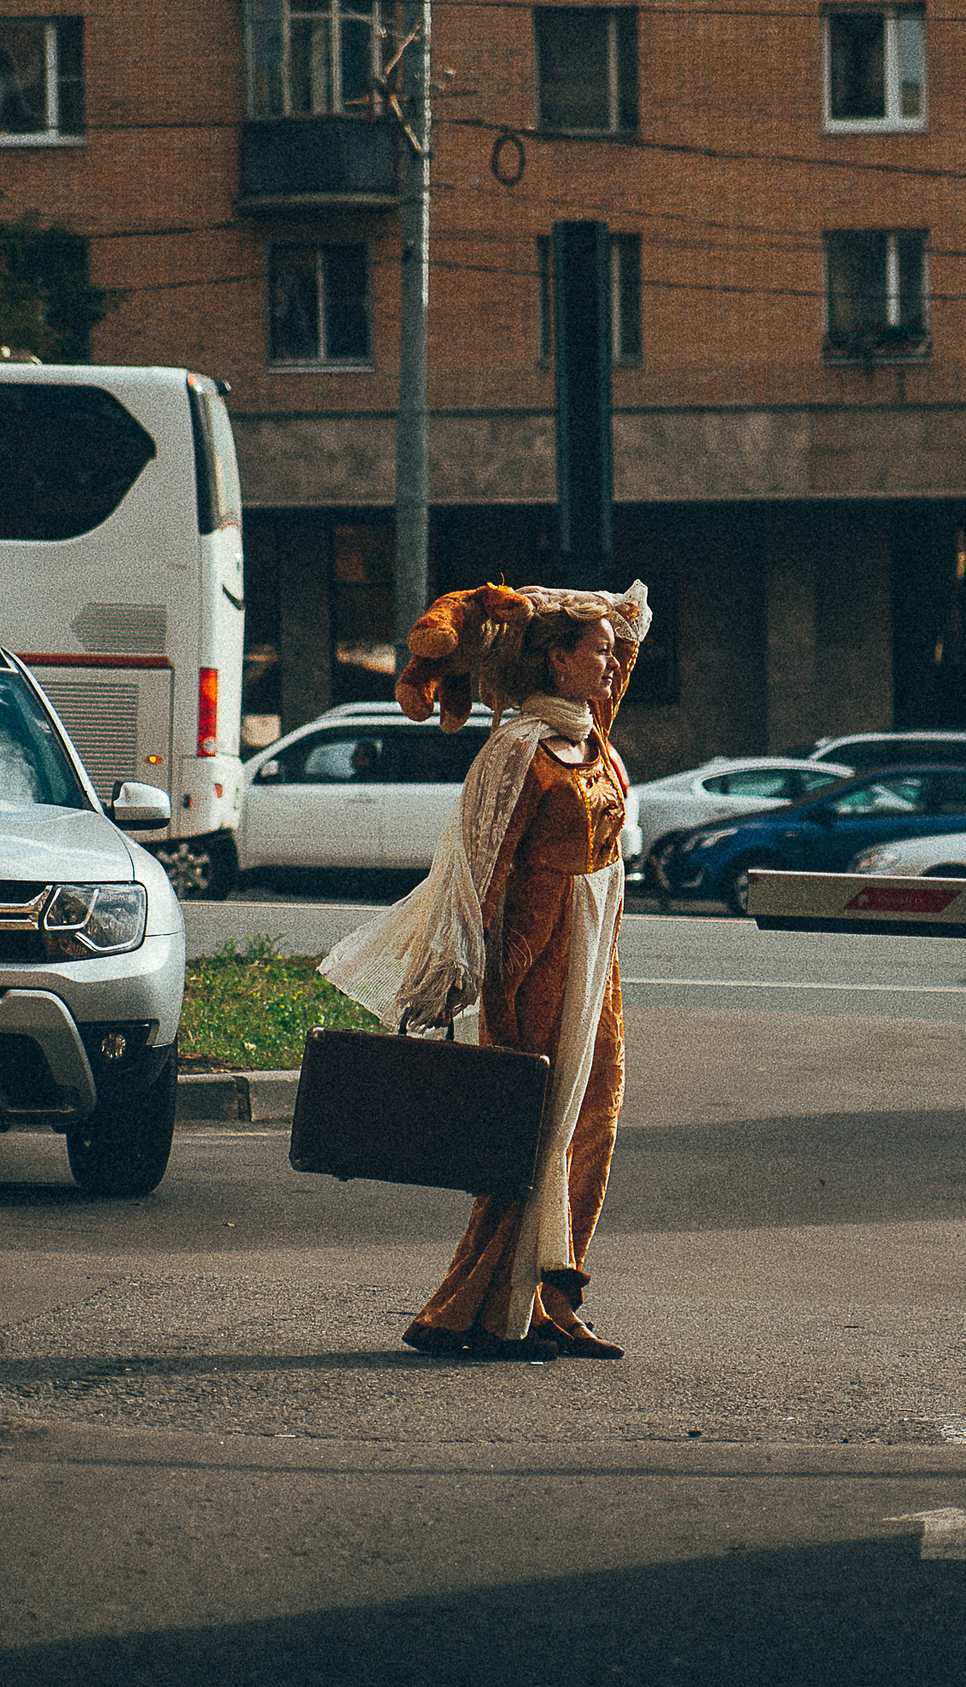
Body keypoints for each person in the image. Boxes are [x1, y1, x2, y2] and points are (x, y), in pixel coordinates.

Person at [320, 581, 649, 1361]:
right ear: (557, 662)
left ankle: (553, 1297)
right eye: (595, 651)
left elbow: (629, 617)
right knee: (527, 1133)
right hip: (532, 962)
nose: (613, 662)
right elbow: (480, 870)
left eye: (609, 652)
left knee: (592, 1123)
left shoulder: (591, 728)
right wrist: (462, 973)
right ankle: (473, 1309)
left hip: (596, 954)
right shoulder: (516, 751)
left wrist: (526, 604)